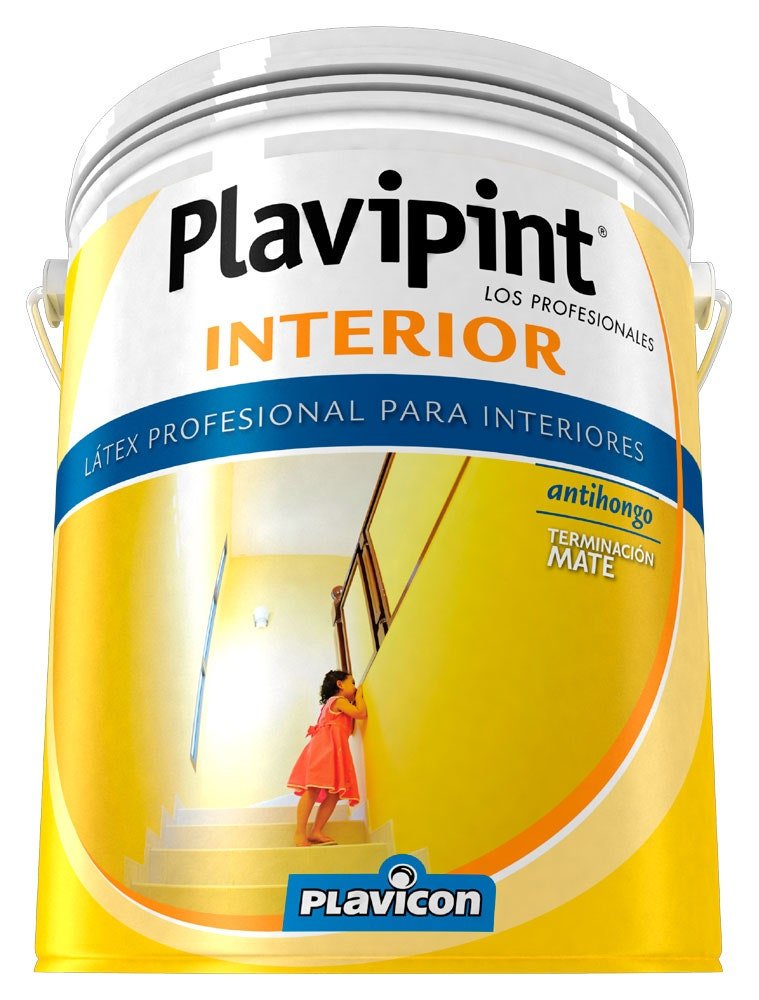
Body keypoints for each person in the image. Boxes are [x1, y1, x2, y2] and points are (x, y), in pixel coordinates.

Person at [287, 670, 367, 846]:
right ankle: (300, 832)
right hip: (325, 748)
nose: (355, 688)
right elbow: (361, 713)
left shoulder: (336, 705)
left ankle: (316, 831)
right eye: (352, 683)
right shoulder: (338, 701)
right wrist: (360, 695)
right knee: (313, 788)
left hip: (333, 750)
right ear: (340, 684)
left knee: (335, 793)